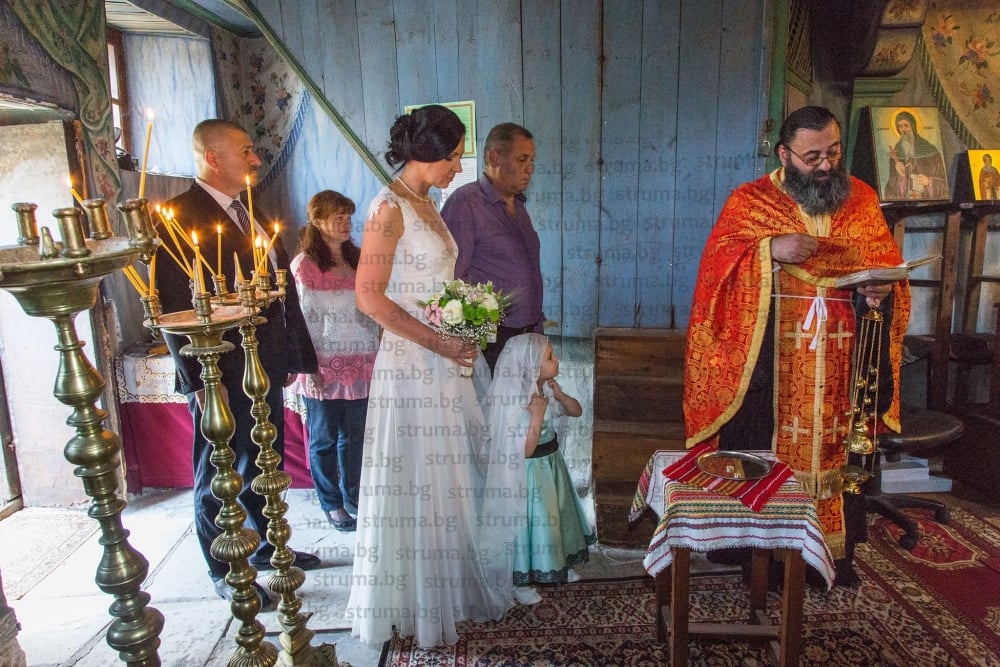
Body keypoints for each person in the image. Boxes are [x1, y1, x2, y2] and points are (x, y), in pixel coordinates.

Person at [683, 106, 911, 586]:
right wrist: (768, 249)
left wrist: (879, 290)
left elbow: (884, 261)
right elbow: (716, 270)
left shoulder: (861, 198)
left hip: (845, 356)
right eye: (812, 157)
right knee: (762, 443)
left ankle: (829, 556)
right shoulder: (750, 202)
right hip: (770, 364)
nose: (826, 166)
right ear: (784, 154)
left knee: (841, 449)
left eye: (833, 152)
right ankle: (758, 558)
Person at [345, 105, 514, 648]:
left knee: (449, 474)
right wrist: (440, 338)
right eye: (453, 154)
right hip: (412, 362)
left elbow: (430, 282)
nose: (457, 164)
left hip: (442, 360)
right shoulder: (386, 208)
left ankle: (447, 588)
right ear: (427, 153)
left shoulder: (428, 203)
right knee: (417, 475)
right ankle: (414, 602)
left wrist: (462, 315)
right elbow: (369, 298)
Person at [156, 119, 321, 608]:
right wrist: (198, 382)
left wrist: (290, 355)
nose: (255, 160)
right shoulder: (178, 218)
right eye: (246, 150)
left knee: (261, 458)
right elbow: (168, 303)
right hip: (218, 370)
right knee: (220, 471)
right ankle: (225, 567)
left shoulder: (250, 210)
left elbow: (278, 287)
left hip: (262, 364)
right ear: (212, 158)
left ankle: (268, 545)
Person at [286, 190, 378, 532]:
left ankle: (354, 494)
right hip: (323, 364)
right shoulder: (304, 265)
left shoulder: (359, 259)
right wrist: (309, 366)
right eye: (336, 216)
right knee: (323, 438)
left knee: (356, 436)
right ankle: (331, 503)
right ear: (316, 220)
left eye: (347, 216)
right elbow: (302, 319)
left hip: (363, 360)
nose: (344, 223)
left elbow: (372, 309)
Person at [483, 333, 595, 606]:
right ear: (530, 366)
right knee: (533, 524)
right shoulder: (520, 402)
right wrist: (536, 416)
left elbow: (577, 411)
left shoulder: (546, 390)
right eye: (549, 357)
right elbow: (526, 450)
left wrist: (561, 395)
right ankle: (520, 581)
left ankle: (557, 564)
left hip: (552, 469)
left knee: (556, 520)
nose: (556, 359)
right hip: (529, 475)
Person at [441, 122, 544, 372]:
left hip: (530, 333)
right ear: (494, 158)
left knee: (528, 410)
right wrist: (468, 337)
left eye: (532, 160)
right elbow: (453, 279)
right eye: (522, 159)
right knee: (493, 410)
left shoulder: (518, 205)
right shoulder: (465, 203)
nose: (530, 168)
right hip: (492, 341)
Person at [883, 110, 948, 200]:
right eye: (900, 126)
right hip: (905, 203)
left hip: (926, 201)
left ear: (913, 126)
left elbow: (944, 183)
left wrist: (929, 181)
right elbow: (890, 187)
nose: (903, 130)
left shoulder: (929, 150)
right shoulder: (896, 153)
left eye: (906, 125)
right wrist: (900, 177)